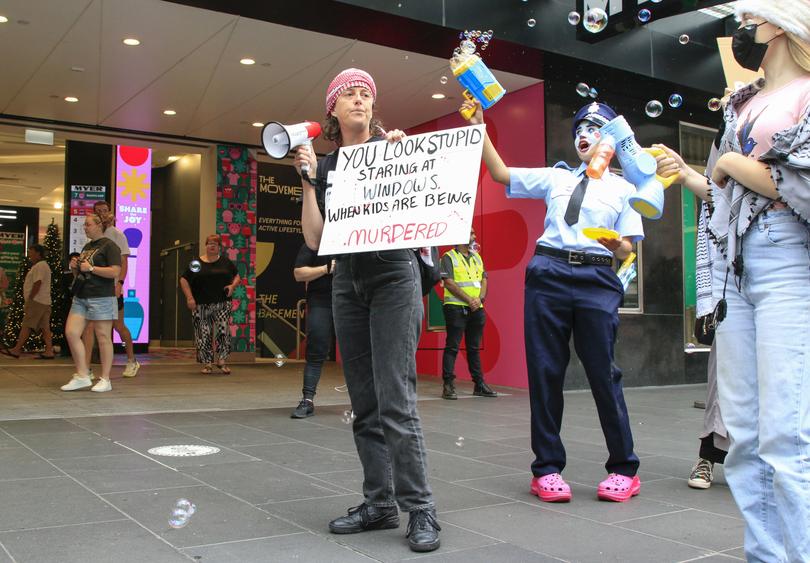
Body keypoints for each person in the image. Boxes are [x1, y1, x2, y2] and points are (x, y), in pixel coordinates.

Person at [654, 1, 810, 558]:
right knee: (743, 433)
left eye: (752, 19)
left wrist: (731, 166)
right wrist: (694, 171)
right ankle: (766, 554)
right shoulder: (744, 102)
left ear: (781, 24)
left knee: (788, 434)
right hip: (737, 269)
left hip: (789, 261)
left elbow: (795, 185)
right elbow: (726, 197)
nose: (743, 29)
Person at [464, 97, 644, 503]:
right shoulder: (556, 178)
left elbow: (628, 249)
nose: (584, 135)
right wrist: (479, 127)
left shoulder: (626, 189)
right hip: (548, 273)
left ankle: (623, 468)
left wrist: (619, 244)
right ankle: (546, 469)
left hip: (597, 276)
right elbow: (500, 172)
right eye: (579, 129)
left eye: (594, 128)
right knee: (546, 373)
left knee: (604, 373)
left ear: (612, 138)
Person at [295, 68, 440, 552]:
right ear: (332, 110)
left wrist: (404, 157)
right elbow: (315, 239)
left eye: (365, 95)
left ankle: (421, 508)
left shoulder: (393, 149)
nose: (358, 100)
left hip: (393, 272)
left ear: (373, 107)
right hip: (346, 280)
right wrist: (307, 179)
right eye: (348, 95)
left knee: (396, 397)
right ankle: (379, 503)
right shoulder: (326, 165)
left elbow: (422, 213)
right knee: (364, 401)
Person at [60, 214, 121, 393]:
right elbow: (83, 274)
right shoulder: (87, 246)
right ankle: (82, 374)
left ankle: (106, 379)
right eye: (84, 225)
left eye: (88, 224)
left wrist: (92, 268)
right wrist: (75, 268)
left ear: (98, 226)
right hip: (82, 296)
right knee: (71, 332)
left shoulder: (110, 246)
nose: (84, 228)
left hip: (101, 296)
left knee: (103, 337)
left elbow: (114, 272)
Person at [81, 201, 140, 378]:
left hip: (112, 287)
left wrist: (120, 283)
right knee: (89, 327)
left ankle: (132, 361)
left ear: (110, 213)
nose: (103, 214)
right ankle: (86, 368)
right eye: (98, 212)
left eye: (105, 211)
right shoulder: (92, 238)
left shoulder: (117, 234)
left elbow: (123, 262)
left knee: (118, 326)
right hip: (93, 288)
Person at [439, 227, 496, 400]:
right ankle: (448, 385)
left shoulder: (477, 257)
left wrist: (480, 299)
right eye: (471, 233)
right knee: (452, 346)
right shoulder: (448, 257)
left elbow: (484, 279)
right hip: (456, 307)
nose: (474, 236)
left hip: (476, 309)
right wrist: (469, 299)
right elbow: (448, 282)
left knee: (474, 348)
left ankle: (479, 384)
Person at [179, 235, 240, 374]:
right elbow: (183, 279)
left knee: (223, 331)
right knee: (203, 333)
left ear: (219, 247)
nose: (212, 246)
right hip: (201, 304)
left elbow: (237, 276)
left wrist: (232, 286)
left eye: (215, 244)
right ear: (205, 246)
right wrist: (189, 298)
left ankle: (222, 361)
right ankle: (207, 363)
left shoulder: (226, 262)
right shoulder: (197, 264)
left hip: (223, 303)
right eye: (209, 243)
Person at [290, 242, 335, 419]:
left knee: (356, 353)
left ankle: (363, 404)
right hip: (321, 301)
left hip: (352, 301)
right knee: (316, 349)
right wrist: (326, 268)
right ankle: (307, 400)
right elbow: (298, 273)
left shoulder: (355, 240)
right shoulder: (314, 243)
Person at [1, 244, 54, 359]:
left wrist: (30, 298)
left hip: (37, 301)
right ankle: (49, 351)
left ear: (38, 253)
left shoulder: (40, 266)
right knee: (45, 328)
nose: (29, 254)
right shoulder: (43, 265)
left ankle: (16, 349)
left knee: (27, 325)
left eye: (31, 252)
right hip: (44, 301)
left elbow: (37, 283)